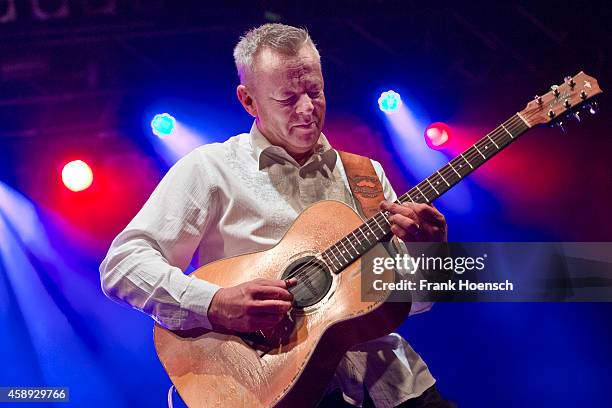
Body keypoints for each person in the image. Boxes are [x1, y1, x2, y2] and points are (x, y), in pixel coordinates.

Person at [100, 23, 451, 408]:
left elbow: (415, 302)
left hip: (393, 388)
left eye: (314, 91)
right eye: (286, 99)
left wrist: (427, 251)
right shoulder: (211, 168)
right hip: (274, 389)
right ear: (248, 101)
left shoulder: (365, 175)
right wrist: (214, 303)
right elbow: (122, 265)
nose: (307, 109)